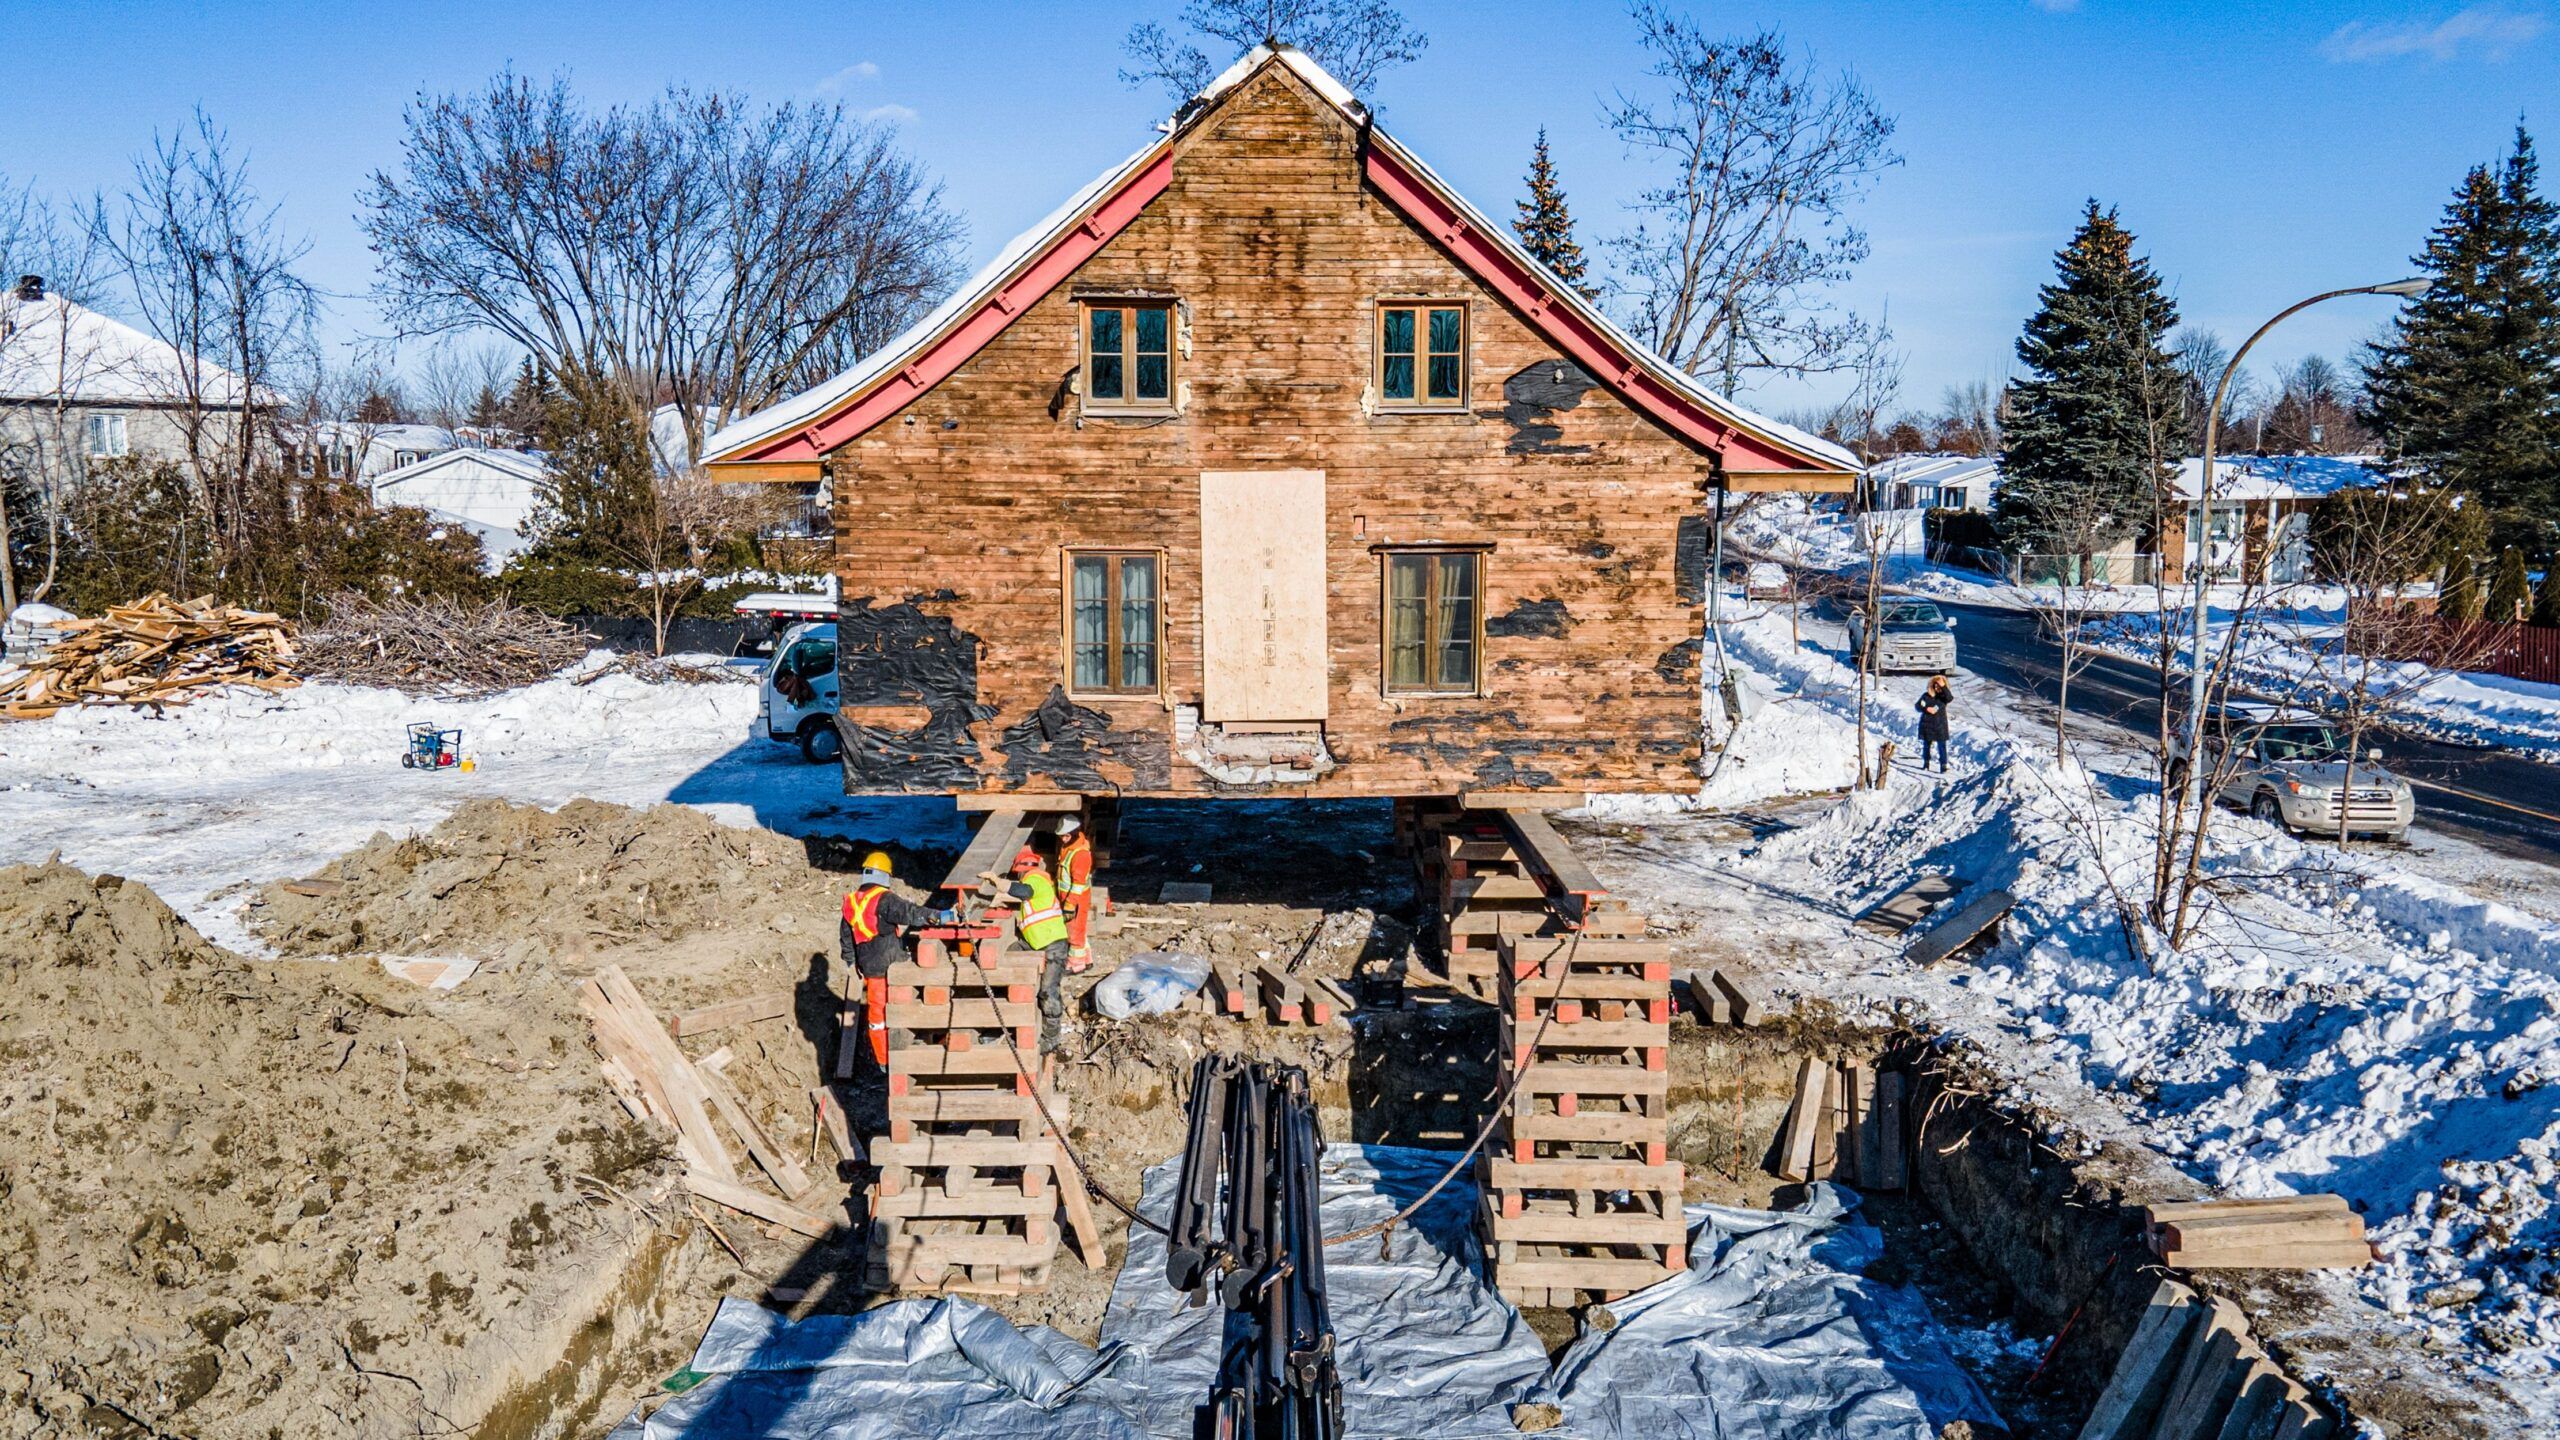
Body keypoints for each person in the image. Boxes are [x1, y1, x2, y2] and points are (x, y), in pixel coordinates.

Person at [843, 851, 959, 1067]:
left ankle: (883, 1061)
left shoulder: (851, 901)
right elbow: (911, 913)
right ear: (885, 876)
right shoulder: (884, 899)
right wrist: (941, 916)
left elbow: (846, 937)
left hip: (869, 966)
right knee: (899, 1007)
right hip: (890, 964)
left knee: (877, 1017)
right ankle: (906, 1053)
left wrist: (852, 962)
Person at [1004, 836, 1074, 1049]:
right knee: (1009, 954)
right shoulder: (1038, 878)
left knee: (1048, 990)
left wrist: (1002, 885)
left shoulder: (1035, 879)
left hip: (1053, 944)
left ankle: (1051, 1038)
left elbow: (1024, 892)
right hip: (1036, 941)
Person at [1055, 816, 1096, 973]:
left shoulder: (1080, 854)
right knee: (1079, 929)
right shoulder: (1069, 847)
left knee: (1074, 932)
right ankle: (1087, 959)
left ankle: (1076, 964)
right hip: (1069, 898)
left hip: (1076, 900)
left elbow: (1078, 884)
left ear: (1074, 833)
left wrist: (1070, 905)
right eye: (1061, 836)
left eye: (1066, 836)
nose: (1063, 839)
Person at [1916, 674, 1953, 773]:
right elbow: (1917, 706)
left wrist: (1943, 686)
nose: (1937, 688)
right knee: (1926, 745)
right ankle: (1926, 763)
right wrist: (1926, 708)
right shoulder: (1926, 696)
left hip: (1940, 725)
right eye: (1935, 685)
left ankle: (1943, 765)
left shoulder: (1943, 697)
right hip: (1927, 724)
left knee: (1942, 746)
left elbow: (1950, 698)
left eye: (1939, 686)